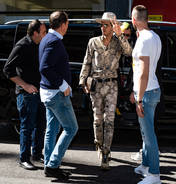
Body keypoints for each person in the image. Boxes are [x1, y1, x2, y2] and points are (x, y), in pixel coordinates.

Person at [79, 12, 132, 170]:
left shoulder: (118, 42)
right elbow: (86, 62)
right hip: (96, 85)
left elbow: (129, 52)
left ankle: (106, 153)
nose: (102, 27)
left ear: (113, 26)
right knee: (98, 120)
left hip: (112, 86)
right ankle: (98, 143)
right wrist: (83, 81)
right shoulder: (93, 42)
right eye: (101, 24)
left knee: (110, 121)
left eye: (106, 25)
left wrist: (120, 34)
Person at [39, 11, 78, 180]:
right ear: (62, 25)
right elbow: (44, 67)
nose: (68, 26)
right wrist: (63, 85)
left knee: (52, 130)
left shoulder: (47, 39)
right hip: (56, 94)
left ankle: (49, 163)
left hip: (49, 93)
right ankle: (53, 165)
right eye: (67, 23)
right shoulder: (54, 41)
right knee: (71, 128)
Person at [3, 20, 46, 170]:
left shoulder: (39, 44)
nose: (45, 34)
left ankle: (37, 154)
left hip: (41, 92)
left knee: (41, 125)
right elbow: (8, 69)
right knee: (27, 126)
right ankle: (24, 159)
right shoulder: (22, 45)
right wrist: (25, 85)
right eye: (43, 32)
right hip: (26, 93)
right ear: (35, 33)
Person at [130, 5, 162, 184]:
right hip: (151, 89)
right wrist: (135, 93)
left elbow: (143, 71)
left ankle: (155, 175)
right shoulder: (154, 36)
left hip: (147, 92)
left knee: (149, 135)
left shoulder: (144, 40)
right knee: (146, 132)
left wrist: (139, 97)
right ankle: (145, 166)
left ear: (134, 20)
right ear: (146, 18)